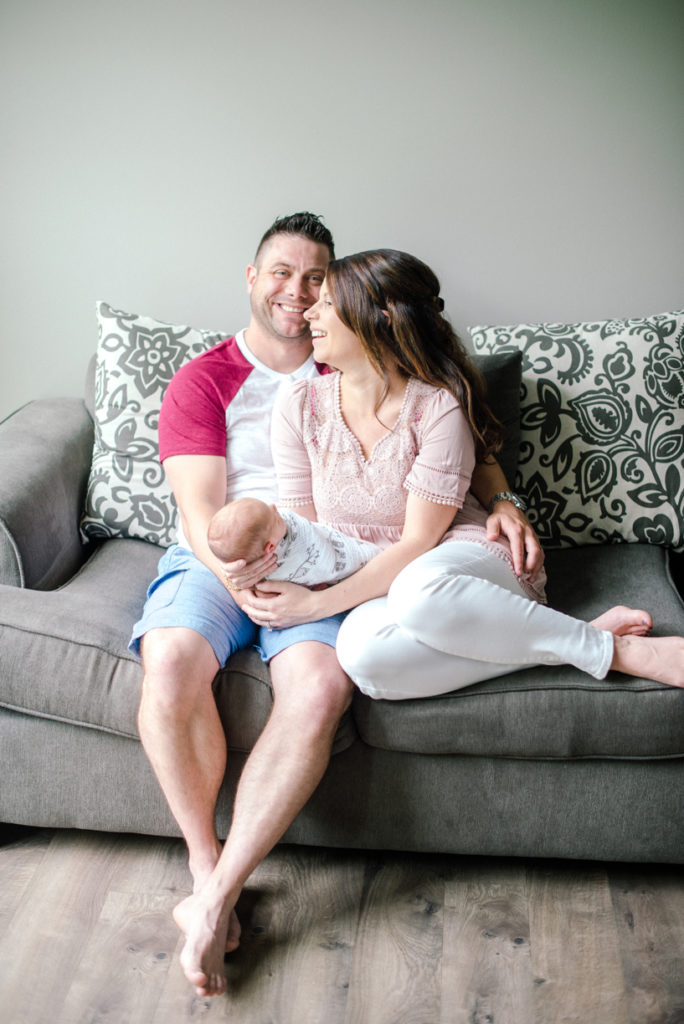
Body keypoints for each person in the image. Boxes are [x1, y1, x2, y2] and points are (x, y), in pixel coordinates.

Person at [131, 214, 545, 999]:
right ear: (252, 279)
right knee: (173, 660)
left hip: (327, 554)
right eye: (281, 273)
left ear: (341, 296)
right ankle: (207, 870)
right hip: (217, 559)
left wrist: (504, 502)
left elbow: (462, 441)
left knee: (320, 687)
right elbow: (198, 510)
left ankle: (216, 897)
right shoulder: (209, 379)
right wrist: (243, 585)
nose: (299, 294)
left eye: (316, 279)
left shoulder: (366, 361)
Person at [238, 248, 684, 704]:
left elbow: (419, 543)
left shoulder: (437, 406)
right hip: (375, 585)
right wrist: (255, 564)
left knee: (419, 592)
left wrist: (317, 604)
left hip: (452, 563)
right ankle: (574, 640)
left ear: (381, 318)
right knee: (363, 657)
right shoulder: (298, 406)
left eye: (328, 302)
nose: (310, 312)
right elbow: (305, 529)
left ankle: (618, 652)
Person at [207, 497, 381, 584]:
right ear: (271, 547)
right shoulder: (277, 566)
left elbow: (319, 536)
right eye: (276, 519)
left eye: (267, 506)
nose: (274, 507)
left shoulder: (287, 529)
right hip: (361, 568)